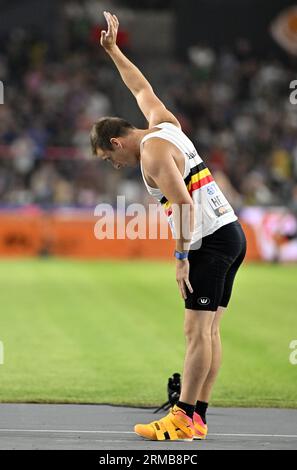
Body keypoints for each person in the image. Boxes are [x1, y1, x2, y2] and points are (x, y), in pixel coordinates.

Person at [90, 11, 247, 441]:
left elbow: (181, 205)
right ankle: (196, 417)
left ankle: (181, 417)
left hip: (209, 241)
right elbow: (140, 86)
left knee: (196, 332)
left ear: (117, 142)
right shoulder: (164, 123)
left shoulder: (153, 154)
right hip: (231, 233)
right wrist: (113, 50)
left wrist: (181, 259)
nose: (115, 164)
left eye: (110, 157)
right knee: (208, 330)